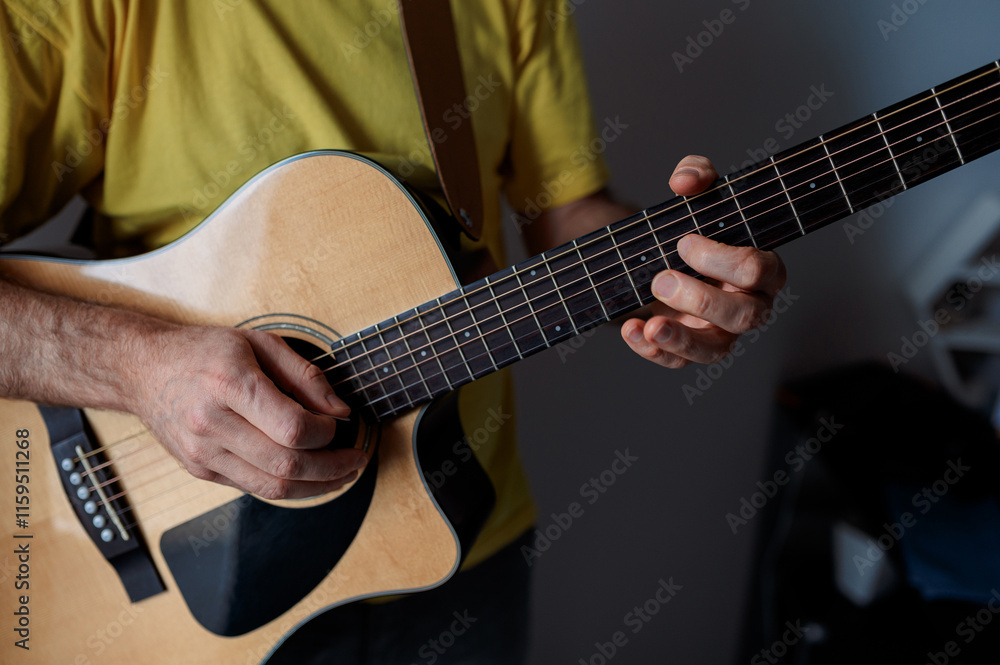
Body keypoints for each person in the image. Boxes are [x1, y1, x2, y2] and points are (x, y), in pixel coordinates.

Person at [0, 1, 786, 662]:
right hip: (168, 572)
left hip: (454, 540)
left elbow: (565, 211)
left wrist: (679, 274)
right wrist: (139, 368)